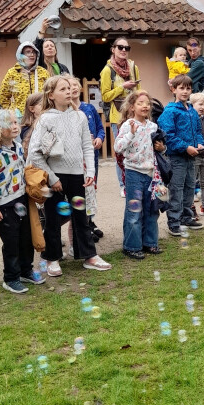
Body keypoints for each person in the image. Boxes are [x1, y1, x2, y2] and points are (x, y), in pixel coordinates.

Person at [27, 75, 111, 274]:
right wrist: (53, 178)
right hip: (54, 176)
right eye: (63, 89)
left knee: (82, 217)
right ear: (51, 95)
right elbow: (34, 153)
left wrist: (89, 170)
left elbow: (87, 146)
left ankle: (89, 255)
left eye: (69, 88)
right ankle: (52, 258)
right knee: (53, 220)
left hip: (77, 174)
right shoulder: (45, 119)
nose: (68, 92)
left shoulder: (79, 116)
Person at [0, 109, 45, 294]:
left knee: (26, 238)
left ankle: (26, 271)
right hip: (5, 205)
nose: (15, 126)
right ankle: (11, 278)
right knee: (11, 242)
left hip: (22, 200)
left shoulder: (18, 146)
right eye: (10, 123)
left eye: (16, 122)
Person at [114, 90, 166, 259]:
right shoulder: (127, 125)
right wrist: (131, 133)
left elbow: (159, 149)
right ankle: (131, 246)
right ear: (132, 107)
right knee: (134, 212)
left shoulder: (153, 126)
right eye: (140, 103)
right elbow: (118, 147)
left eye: (147, 103)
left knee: (152, 210)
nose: (145, 106)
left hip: (151, 173)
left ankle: (150, 243)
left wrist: (161, 148)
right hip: (134, 173)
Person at [158, 73, 204, 237]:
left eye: (188, 88)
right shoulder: (170, 111)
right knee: (176, 189)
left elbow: (198, 131)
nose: (185, 91)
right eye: (181, 88)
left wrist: (198, 143)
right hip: (176, 157)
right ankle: (174, 222)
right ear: (173, 89)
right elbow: (168, 136)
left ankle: (187, 217)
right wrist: (186, 147)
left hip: (191, 157)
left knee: (189, 187)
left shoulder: (192, 110)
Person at [100, 37, 140, 192]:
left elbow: (139, 90)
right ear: (113, 49)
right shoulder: (107, 70)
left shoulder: (133, 67)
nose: (124, 50)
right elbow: (105, 96)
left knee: (136, 149)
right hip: (118, 117)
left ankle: (134, 181)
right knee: (121, 151)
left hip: (134, 114)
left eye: (126, 48)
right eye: (120, 47)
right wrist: (123, 87)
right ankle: (123, 185)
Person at [69, 75, 105, 242]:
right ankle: (83, 225)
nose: (74, 88)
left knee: (92, 189)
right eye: (70, 86)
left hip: (92, 157)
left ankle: (90, 221)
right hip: (77, 159)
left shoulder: (89, 108)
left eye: (76, 85)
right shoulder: (67, 111)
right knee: (81, 191)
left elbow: (100, 128)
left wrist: (99, 138)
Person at [0, 43, 49, 117]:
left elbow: (50, 92)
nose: (31, 55)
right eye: (28, 52)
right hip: (20, 117)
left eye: (33, 52)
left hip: (41, 115)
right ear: (21, 55)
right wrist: (11, 112)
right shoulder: (12, 73)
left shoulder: (43, 72)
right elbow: (3, 96)